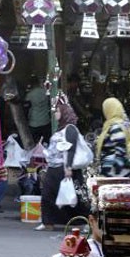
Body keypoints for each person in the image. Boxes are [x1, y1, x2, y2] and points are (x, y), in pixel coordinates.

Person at [36, 97, 89, 231]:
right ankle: (47, 222)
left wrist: (68, 167)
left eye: (58, 111)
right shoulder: (60, 130)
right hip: (54, 168)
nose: (55, 114)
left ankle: (82, 222)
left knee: (72, 198)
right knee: (48, 195)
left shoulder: (70, 129)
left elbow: (70, 148)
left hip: (64, 168)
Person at [96, 97, 130, 177]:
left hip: (114, 171)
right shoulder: (123, 123)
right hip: (117, 171)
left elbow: (120, 149)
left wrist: (116, 172)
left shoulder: (115, 126)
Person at [23, 74, 51, 144]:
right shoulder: (45, 92)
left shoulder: (29, 95)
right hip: (45, 121)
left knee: (35, 144)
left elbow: (26, 107)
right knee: (46, 143)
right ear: (38, 82)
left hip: (34, 123)